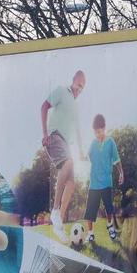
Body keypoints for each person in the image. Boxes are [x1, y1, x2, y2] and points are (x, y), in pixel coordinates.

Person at [42, 71, 87, 225]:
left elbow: (78, 131)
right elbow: (44, 107)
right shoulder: (61, 91)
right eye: (78, 84)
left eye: (82, 87)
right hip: (54, 136)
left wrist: (80, 151)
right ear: (73, 80)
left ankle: (58, 222)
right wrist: (45, 134)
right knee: (68, 163)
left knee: (71, 183)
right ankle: (55, 210)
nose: (79, 89)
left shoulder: (75, 106)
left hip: (65, 143)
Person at [85, 113, 123, 240]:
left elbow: (116, 159)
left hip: (107, 181)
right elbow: (88, 156)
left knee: (109, 209)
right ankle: (90, 234)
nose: (97, 135)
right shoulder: (93, 143)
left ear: (104, 128)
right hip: (94, 183)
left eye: (99, 131)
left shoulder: (110, 142)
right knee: (90, 211)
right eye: (95, 132)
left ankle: (110, 227)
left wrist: (121, 173)